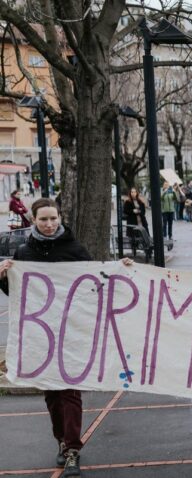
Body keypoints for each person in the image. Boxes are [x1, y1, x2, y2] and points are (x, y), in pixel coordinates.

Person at [0, 198, 134, 478]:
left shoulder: (75, 250)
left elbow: (95, 284)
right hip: (42, 337)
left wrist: (119, 269)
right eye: (43, 220)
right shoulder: (24, 253)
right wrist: (3, 278)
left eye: (53, 218)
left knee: (70, 392)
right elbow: (19, 295)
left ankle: (73, 449)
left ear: (60, 218)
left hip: (72, 333)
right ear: (33, 221)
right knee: (52, 394)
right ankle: (62, 440)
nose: (49, 224)